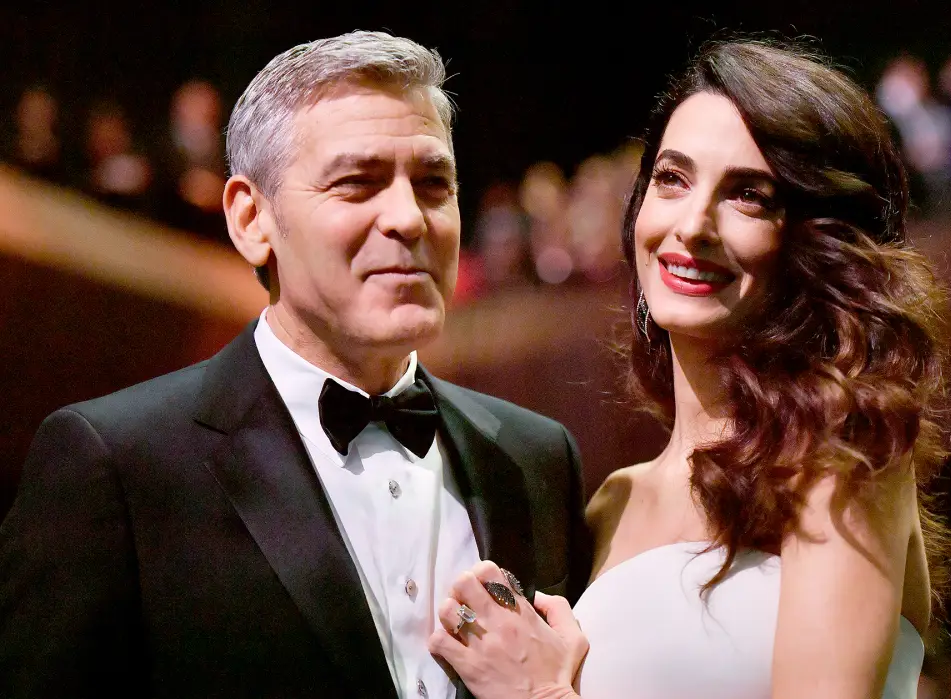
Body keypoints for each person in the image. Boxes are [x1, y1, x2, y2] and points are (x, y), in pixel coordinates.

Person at [0, 31, 590, 699]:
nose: (408, 218)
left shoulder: (538, 458)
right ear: (252, 219)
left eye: (434, 184)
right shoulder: (114, 466)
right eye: (357, 183)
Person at [427, 39, 951, 699]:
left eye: (749, 195)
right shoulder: (611, 505)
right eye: (673, 179)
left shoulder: (842, 456)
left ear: (815, 240)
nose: (693, 224)